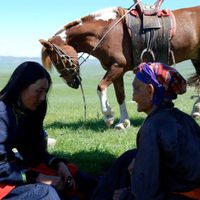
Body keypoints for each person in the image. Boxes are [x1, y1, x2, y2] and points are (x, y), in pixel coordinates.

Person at [91, 62, 200, 200]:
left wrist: (126, 195)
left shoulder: (152, 128)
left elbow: (145, 193)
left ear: (150, 90)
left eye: (136, 89)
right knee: (129, 157)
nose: (133, 97)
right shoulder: (186, 119)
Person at [0, 61, 97, 200]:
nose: (42, 98)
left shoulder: (24, 113)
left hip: (16, 170)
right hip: (4, 180)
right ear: (21, 87)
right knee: (46, 193)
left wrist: (58, 163)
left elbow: (34, 154)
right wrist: (37, 177)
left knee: (82, 180)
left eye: (45, 92)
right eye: (39, 91)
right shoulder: (2, 114)